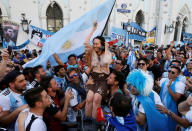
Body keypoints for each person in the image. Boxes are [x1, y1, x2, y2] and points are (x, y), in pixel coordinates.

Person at [84, 22, 112, 119]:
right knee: (89, 99)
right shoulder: (92, 52)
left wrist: (106, 49)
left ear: (102, 44)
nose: (95, 45)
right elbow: (86, 42)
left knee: (96, 99)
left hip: (103, 80)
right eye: (94, 43)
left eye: (97, 44)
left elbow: (105, 61)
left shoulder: (107, 53)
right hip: (93, 79)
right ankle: (87, 123)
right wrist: (93, 29)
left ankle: (95, 124)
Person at [159, 66, 185, 130]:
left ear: (177, 74)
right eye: (169, 71)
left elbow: (176, 99)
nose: (170, 73)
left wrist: (169, 88)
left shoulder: (180, 84)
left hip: (171, 111)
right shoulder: (163, 80)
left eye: (172, 72)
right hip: (160, 108)